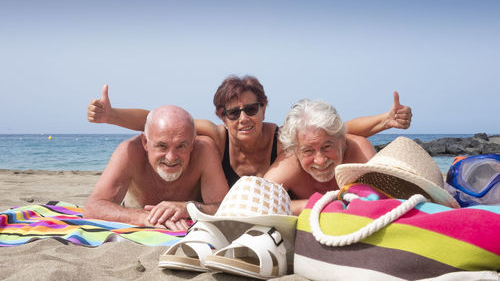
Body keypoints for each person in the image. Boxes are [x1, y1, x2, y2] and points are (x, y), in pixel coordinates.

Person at [87, 75, 412, 187]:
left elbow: (333, 132)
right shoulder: (214, 135)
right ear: (222, 115)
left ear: (263, 108)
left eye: (251, 109)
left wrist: (385, 121)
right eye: (233, 111)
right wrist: (112, 115)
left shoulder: (284, 137)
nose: (243, 117)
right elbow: (159, 120)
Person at [83, 105, 228, 231]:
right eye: (162, 146)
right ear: (145, 142)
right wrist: (144, 217)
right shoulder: (129, 152)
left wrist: (188, 208)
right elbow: (93, 207)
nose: (171, 157)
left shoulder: (204, 151)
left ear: (192, 143)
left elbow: (225, 208)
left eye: (181, 146)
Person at [263, 99, 376, 215]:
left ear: (342, 141)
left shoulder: (360, 151)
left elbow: (384, 197)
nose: (320, 161)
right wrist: (313, 205)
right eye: (308, 151)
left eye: (327, 147)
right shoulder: (289, 164)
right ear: (295, 151)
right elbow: (259, 203)